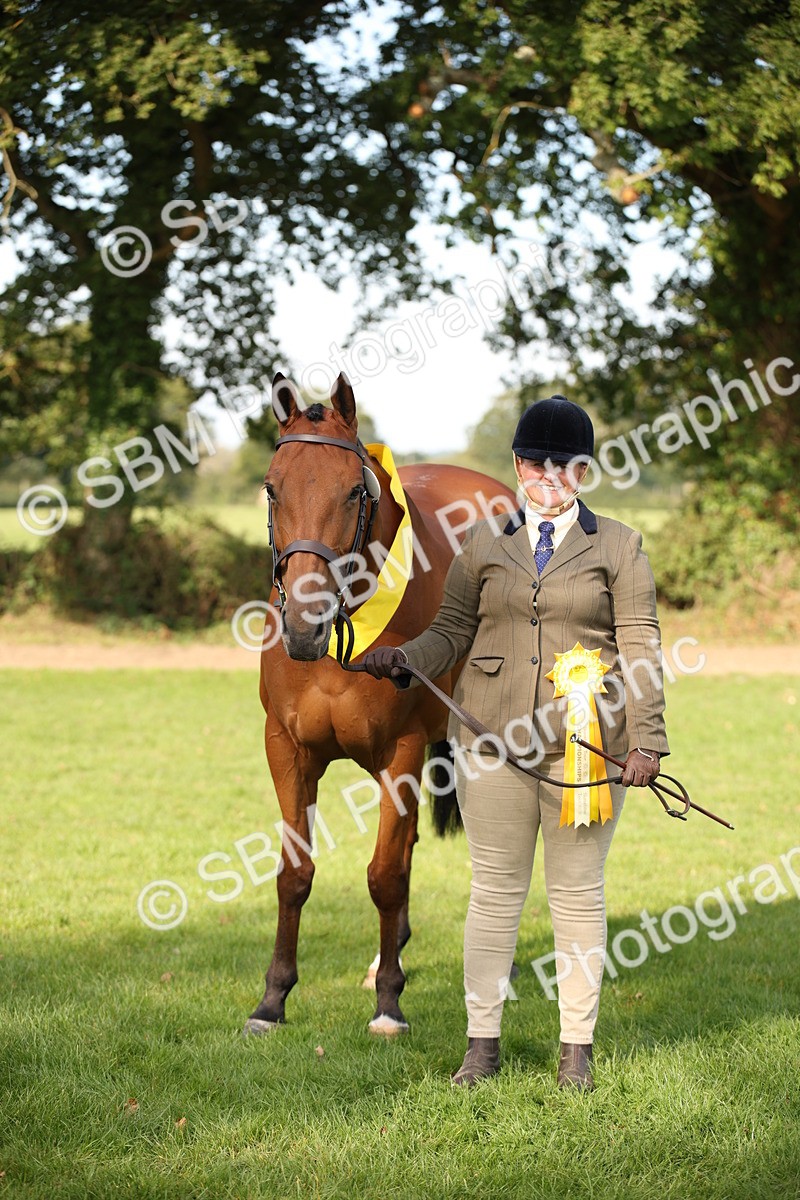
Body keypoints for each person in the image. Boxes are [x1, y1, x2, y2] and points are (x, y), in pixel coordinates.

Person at [362, 395, 669, 1090]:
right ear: (518, 464)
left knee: (578, 896)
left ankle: (576, 1052)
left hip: (586, 749)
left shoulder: (619, 546)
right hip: (490, 742)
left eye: (564, 463)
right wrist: (408, 656)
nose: (548, 474)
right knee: (494, 894)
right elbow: (451, 631)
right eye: (536, 461)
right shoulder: (483, 543)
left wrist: (647, 738)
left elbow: (642, 645)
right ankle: (481, 1047)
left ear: (585, 470)